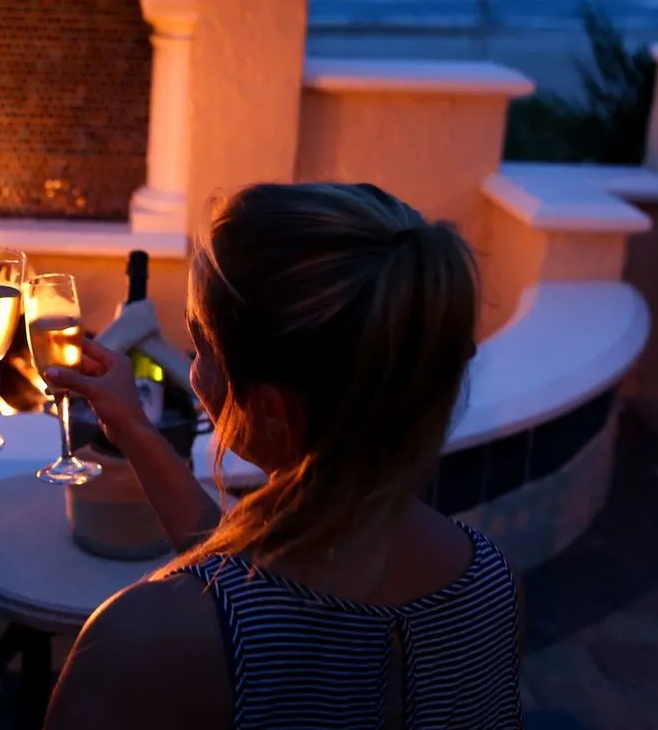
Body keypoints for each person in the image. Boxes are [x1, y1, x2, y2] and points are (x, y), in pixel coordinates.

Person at [46, 183, 522, 730]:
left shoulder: (138, 643)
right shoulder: (492, 585)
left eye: (199, 346)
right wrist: (132, 427)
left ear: (271, 410)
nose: (192, 367)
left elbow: (241, 599)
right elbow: (250, 571)